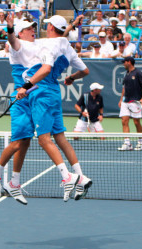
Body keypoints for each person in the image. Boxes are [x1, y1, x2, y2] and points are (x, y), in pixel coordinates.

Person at [17, 15, 92, 202]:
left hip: (42, 93)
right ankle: (80, 176)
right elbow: (85, 71)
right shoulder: (67, 47)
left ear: (50, 26)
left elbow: (46, 69)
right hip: (55, 94)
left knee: (43, 139)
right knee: (60, 137)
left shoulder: (48, 45)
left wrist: (25, 87)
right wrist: (72, 78)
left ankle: (67, 176)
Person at [0, 19, 42, 205]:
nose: (32, 30)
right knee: (17, 142)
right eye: (27, 28)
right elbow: (11, 39)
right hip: (20, 99)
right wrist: (10, 28)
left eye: (32, 28)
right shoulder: (17, 46)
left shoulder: (38, 47)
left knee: (25, 142)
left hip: (33, 100)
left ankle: (14, 183)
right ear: (20, 33)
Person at [118, 56, 142, 151]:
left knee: (136, 122)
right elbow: (124, 87)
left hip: (135, 101)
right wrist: (121, 99)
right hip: (126, 102)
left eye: (124, 62)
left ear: (129, 62)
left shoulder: (138, 73)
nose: (123, 64)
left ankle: (140, 143)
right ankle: (127, 143)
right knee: (124, 121)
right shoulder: (127, 73)